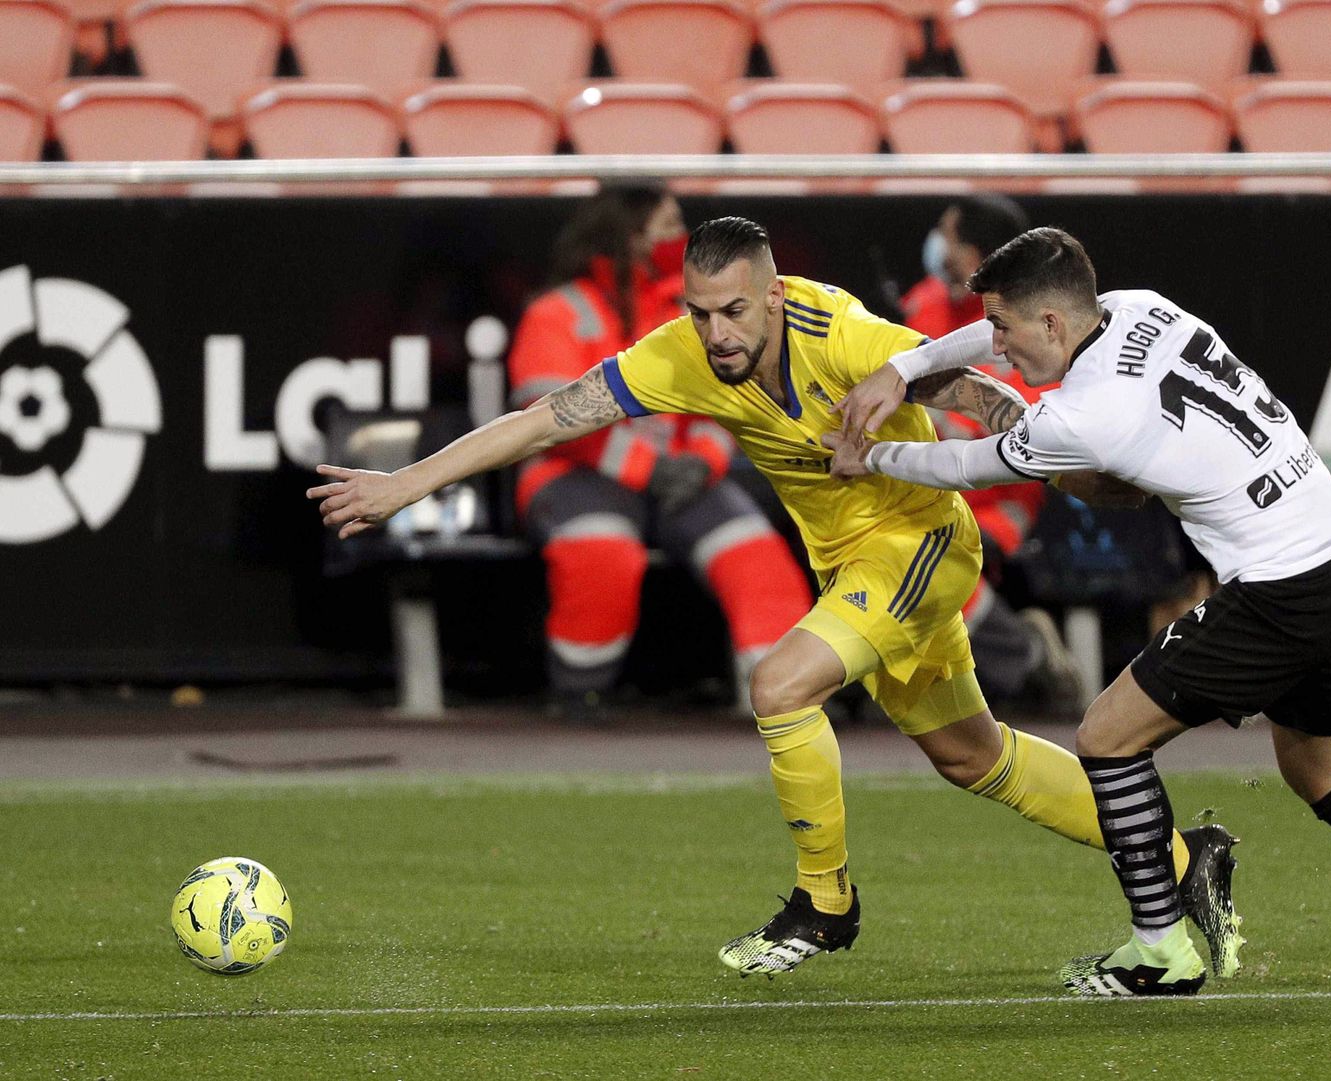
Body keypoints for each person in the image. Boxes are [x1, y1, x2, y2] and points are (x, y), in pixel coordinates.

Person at [308, 217, 1242, 982]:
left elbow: (973, 389)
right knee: (973, 756)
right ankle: (1178, 858)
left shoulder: (842, 336)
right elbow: (544, 419)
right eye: (700, 310)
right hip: (854, 569)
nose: (717, 332)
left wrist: (1085, 467)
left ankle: (824, 900)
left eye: (734, 311)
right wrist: (404, 485)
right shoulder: (682, 355)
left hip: (918, 542)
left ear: (775, 295)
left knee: (781, 683)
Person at [827, 226, 1331, 997]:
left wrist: (867, 457)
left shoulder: (1085, 415)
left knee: (1106, 738)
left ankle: (1160, 949)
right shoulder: (1141, 308)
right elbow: (997, 361)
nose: (997, 346)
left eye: (1005, 328)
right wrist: (905, 364)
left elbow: (961, 465)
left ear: (1051, 322)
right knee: (1325, 775)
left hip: (1281, 588)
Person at [504, 183, 812, 716]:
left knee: (756, 556)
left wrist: (704, 460)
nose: (682, 238)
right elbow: (550, 419)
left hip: (681, 475)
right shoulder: (556, 312)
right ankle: (581, 694)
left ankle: (791, 700)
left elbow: (729, 402)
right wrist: (650, 468)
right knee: (601, 553)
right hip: (573, 473)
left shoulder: (690, 306)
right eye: (668, 226)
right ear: (629, 236)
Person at [905, 195, 1081, 714]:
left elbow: (1035, 431)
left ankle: (1025, 657)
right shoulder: (924, 304)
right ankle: (1015, 657)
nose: (939, 246)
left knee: (924, 559)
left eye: (949, 235)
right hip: (930, 484)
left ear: (975, 254)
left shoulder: (1039, 323)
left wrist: (941, 424)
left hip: (1005, 500)